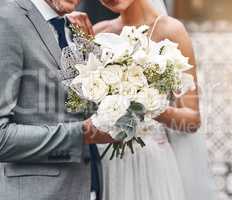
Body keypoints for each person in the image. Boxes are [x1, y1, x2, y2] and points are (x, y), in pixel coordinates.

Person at [67, 0, 214, 199]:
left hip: (152, 163)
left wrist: (146, 104)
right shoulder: (99, 33)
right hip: (108, 163)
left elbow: (192, 119)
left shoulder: (171, 30)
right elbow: (82, 106)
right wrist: (78, 43)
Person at [0, 0, 114, 200]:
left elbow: (82, 105)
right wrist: (82, 134)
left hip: (88, 185)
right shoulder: (6, 18)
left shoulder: (75, 26)